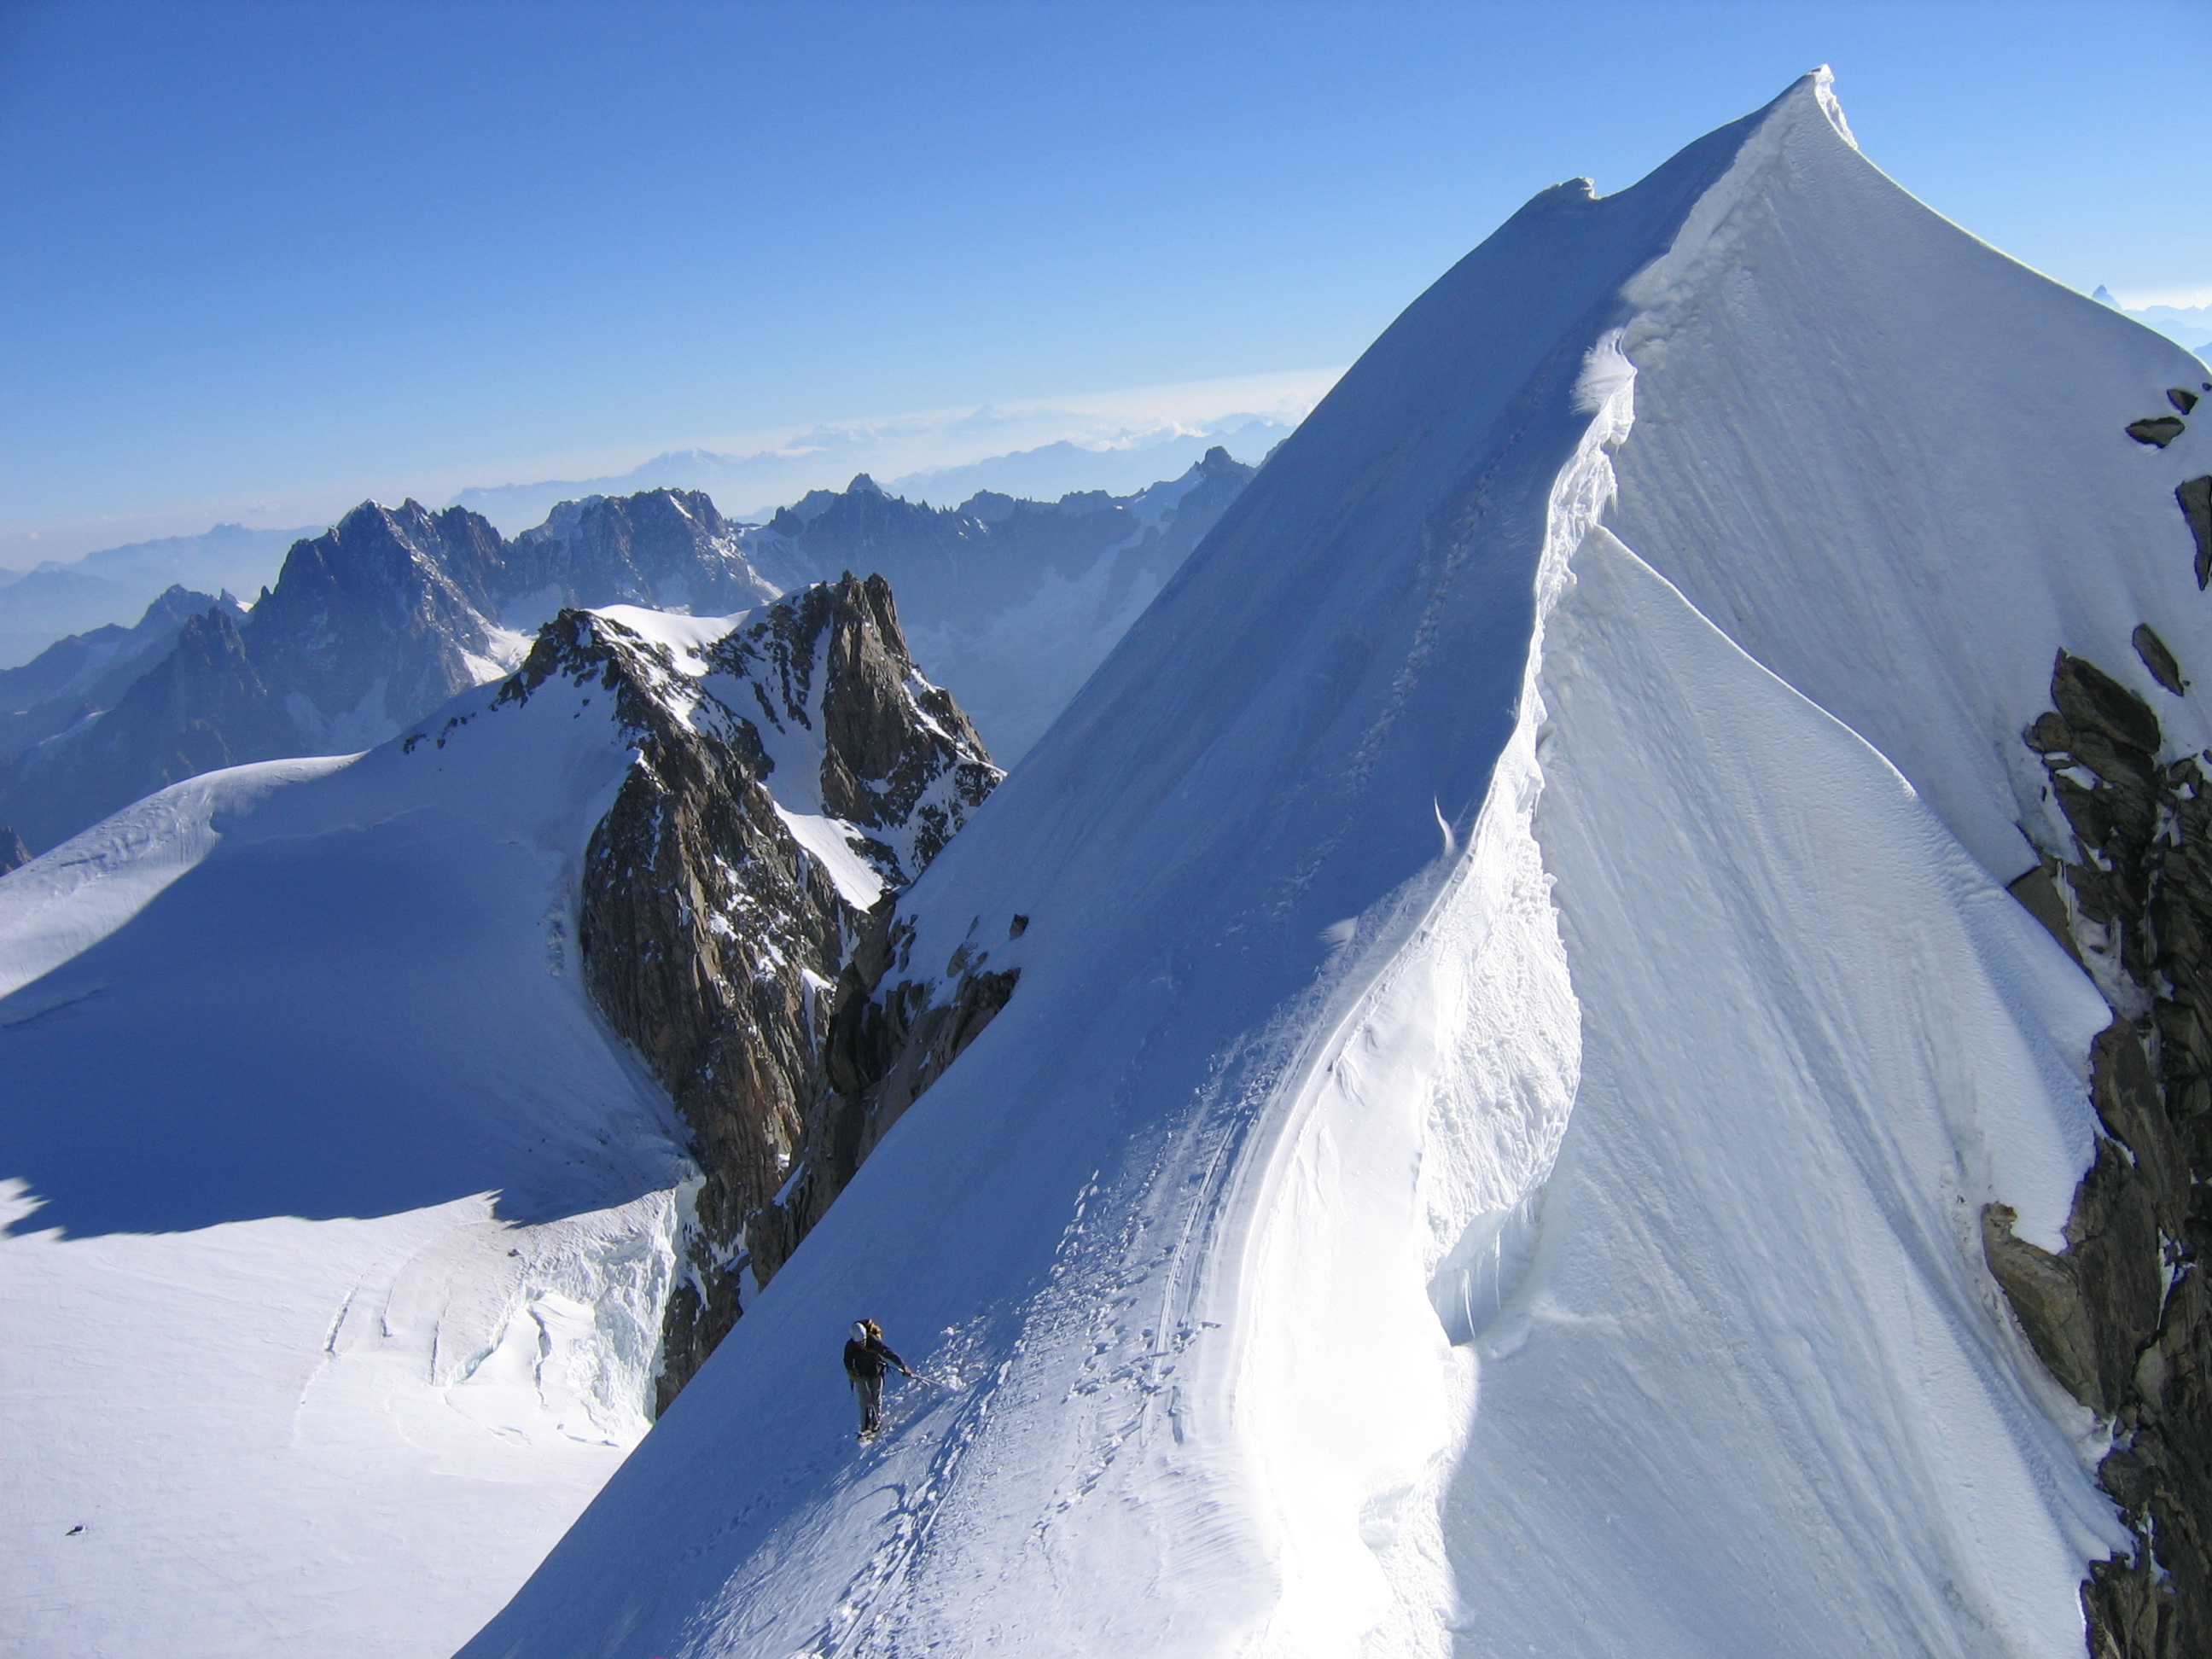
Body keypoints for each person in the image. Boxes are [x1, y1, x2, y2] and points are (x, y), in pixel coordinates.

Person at [843, 1318, 913, 1439]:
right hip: (861, 1374)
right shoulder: (851, 1346)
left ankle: (876, 1423)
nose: (862, 1344)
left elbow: (887, 1352)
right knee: (864, 1400)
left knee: (876, 1398)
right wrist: (851, 1370)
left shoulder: (872, 1341)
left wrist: (903, 1365)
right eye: (859, 1343)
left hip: (876, 1372)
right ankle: (866, 1427)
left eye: (863, 1341)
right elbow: (847, 1360)